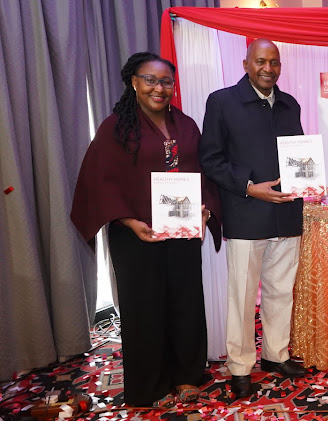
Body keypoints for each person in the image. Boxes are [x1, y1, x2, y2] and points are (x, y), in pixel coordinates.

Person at [71, 52, 222, 407]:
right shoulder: (116, 127)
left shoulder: (186, 125)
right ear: (134, 82)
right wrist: (128, 221)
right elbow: (100, 181)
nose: (159, 88)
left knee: (185, 305)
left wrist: (205, 210)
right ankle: (150, 387)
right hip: (137, 236)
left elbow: (204, 171)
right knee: (145, 310)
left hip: (181, 234)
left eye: (166, 81)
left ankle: (186, 375)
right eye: (150, 80)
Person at [200, 39, 306, 398]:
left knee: (280, 292)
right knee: (242, 297)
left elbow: (300, 157)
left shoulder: (291, 104)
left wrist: (309, 178)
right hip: (246, 214)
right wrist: (249, 187)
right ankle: (240, 366)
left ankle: (276, 355)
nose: (268, 68)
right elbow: (211, 159)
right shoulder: (222, 102)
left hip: (288, 214)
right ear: (246, 64)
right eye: (261, 61)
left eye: (274, 62)